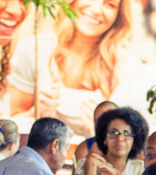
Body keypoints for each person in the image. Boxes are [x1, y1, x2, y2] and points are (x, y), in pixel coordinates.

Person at [8, 0, 138, 138]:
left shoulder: (128, 68)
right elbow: (12, 123)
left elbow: (133, 142)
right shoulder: (34, 49)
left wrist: (101, 132)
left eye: (110, 4)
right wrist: (35, 114)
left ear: (119, 16)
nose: (96, 10)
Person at [74, 105, 147, 175]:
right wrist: (91, 165)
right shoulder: (85, 165)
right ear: (104, 139)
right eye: (113, 132)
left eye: (127, 134)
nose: (120, 138)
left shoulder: (140, 168)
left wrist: (117, 174)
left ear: (134, 141)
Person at [73, 99, 118, 164]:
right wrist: (89, 161)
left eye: (109, 121)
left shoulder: (131, 147)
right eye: (99, 122)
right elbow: (77, 173)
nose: (105, 126)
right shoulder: (85, 149)